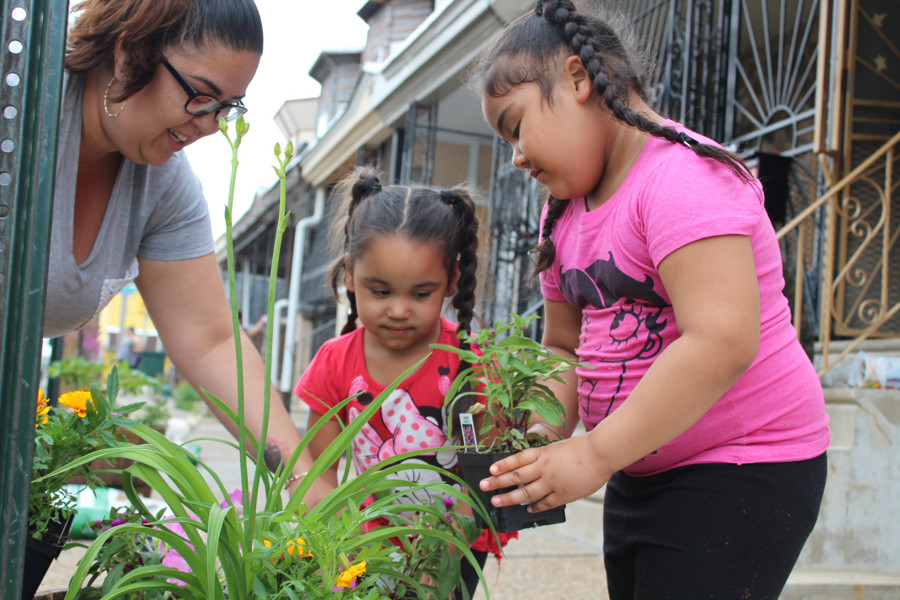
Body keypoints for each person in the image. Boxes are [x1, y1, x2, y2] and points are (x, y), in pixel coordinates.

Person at [472, 1, 831, 598]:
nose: (516, 155)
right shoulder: (562, 214)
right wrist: (541, 441)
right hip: (640, 462)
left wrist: (592, 455)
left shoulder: (681, 179)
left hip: (745, 464)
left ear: (578, 79)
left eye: (516, 126)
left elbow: (723, 340)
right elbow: (562, 346)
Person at [43, 0, 318, 500]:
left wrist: (311, 493)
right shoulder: (23, 99)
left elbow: (211, 342)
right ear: (130, 53)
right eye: (201, 96)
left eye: (227, 107)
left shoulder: (164, 185)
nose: (211, 125)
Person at [294, 167, 513, 600]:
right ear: (351, 275)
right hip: (366, 546)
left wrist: (442, 553)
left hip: (454, 542)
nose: (398, 310)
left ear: (451, 281)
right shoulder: (335, 363)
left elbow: (488, 474)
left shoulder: (471, 362)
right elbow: (319, 477)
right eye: (380, 292)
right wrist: (328, 548)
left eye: (419, 294)